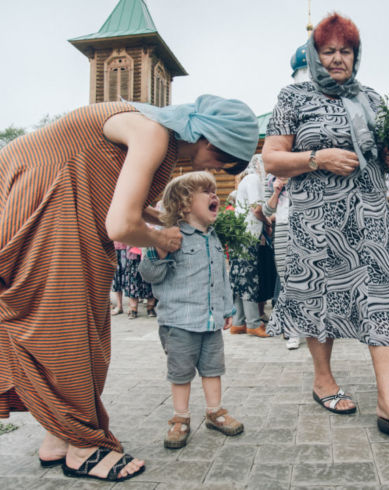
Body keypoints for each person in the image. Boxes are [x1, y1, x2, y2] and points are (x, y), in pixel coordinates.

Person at [0, 96, 258, 481]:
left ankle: (61, 437)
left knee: (79, 323)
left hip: (54, 199)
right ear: (210, 141)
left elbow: (119, 198)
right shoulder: (153, 133)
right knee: (67, 327)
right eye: (223, 161)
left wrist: (157, 218)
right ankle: (85, 448)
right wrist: (162, 239)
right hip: (47, 200)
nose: (217, 169)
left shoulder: (156, 132)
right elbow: (120, 226)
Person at [262, 13, 389, 441]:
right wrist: (317, 158)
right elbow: (272, 159)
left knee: (385, 299)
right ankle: (324, 380)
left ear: (356, 55)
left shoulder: (372, 99)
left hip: (370, 220)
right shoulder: (293, 97)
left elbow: (384, 157)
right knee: (319, 299)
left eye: (346, 51)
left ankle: (388, 403)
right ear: (315, 56)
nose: (338, 59)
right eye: (329, 51)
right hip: (317, 224)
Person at [138, 171, 242, 450]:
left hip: (210, 322)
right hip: (179, 323)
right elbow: (147, 274)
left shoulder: (214, 237)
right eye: (205, 192)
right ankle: (180, 417)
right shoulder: (170, 237)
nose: (213, 195)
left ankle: (215, 412)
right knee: (181, 372)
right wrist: (158, 250)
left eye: (213, 191)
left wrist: (227, 307)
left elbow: (222, 274)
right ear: (184, 205)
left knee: (212, 369)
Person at [229, 155, 269, 338]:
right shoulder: (253, 180)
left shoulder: (245, 180)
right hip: (248, 235)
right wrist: (268, 222)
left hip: (240, 235)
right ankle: (253, 323)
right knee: (249, 278)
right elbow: (257, 209)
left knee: (240, 279)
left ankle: (238, 322)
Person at [262, 174, 300, 349]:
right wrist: (276, 190)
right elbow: (266, 211)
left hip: (307, 224)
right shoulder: (270, 179)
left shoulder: (303, 170)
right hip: (284, 226)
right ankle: (293, 330)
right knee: (286, 277)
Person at [124, 245, 157, 318]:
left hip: (149, 252)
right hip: (133, 253)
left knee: (150, 281)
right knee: (132, 281)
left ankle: (150, 308)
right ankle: (133, 309)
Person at [111, 241, 126, 315]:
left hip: (128, 247)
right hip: (113, 248)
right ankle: (119, 306)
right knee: (116, 277)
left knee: (128, 277)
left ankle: (132, 308)